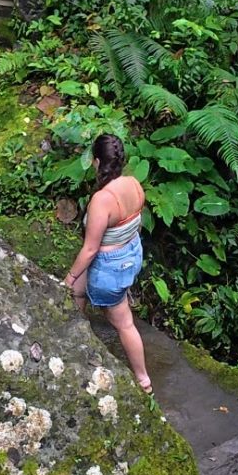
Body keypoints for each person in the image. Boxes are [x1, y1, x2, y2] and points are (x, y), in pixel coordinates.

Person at [63, 134, 152, 394]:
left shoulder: (103, 200)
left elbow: (91, 249)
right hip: (131, 253)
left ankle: (144, 381)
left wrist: (68, 277)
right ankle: (76, 338)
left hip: (110, 265)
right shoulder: (134, 184)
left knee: (124, 323)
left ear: (97, 161)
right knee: (77, 292)